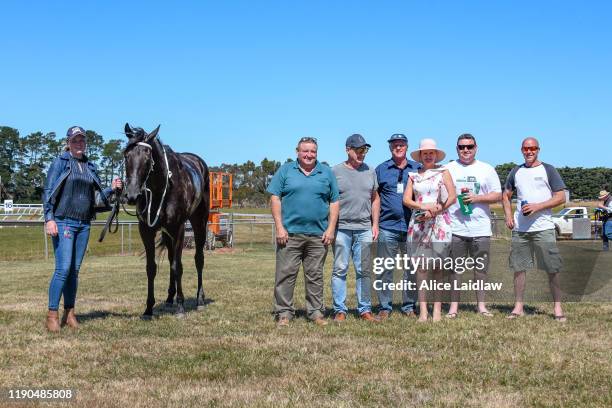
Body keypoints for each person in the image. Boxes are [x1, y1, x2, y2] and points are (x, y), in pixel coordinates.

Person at [43, 126, 123, 332]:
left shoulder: (90, 166)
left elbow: (94, 196)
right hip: (63, 221)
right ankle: (52, 315)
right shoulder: (60, 162)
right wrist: (49, 218)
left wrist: (111, 188)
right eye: (75, 140)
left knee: (75, 271)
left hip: (83, 223)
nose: (79, 144)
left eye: (82, 140)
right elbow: (48, 190)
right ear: (68, 142)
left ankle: (70, 313)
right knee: (63, 269)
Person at [267, 137, 339, 327]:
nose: (309, 155)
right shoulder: (285, 170)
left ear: (317, 153)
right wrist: (280, 227)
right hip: (289, 235)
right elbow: (275, 198)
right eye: (305, 151)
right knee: (285, 275)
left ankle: (315, 312)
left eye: (313, 151)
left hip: (318, 235)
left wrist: (331, 229)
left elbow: (334, 201)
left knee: (315, 275)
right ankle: (284, 313)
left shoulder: (326, 172)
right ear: (297, 151)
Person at [502, 137, 567, 322]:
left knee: (552, 268)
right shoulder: (516, 171)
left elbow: (561, 197)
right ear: (521, 150)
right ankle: (518, 307)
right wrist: (508, 216)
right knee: (519, 268)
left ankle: (557, 308)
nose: (529, 151)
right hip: (521, 230)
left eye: (533, 148)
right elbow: (505, 195)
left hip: (543, 228)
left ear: (538, 149)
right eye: (526, 148)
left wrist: (538, 206)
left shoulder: (548, 169)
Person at [445, 134, 502, 318]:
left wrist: (476, 198)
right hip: (456, 228)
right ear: (457, 149)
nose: (466, 150)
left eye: (469, 146)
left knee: (481, 269)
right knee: (455, 269)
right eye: (462, 147)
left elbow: (497, 195)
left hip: (481, 228)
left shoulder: (487, 169)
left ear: (476, 148)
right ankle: (453, 308)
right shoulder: (448, 169)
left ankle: (482, 306)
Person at [403, 138, 456, 322]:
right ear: (420, 156)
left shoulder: (444, 172)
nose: (428, 156)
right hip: (419, 224)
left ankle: (437, 310)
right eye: (424, 153)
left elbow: (452, 197)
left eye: (431, 153)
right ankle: (423, 311)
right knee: (422, 268)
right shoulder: (413, 175)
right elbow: (406, 200)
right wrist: (422, 206)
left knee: (438, 268)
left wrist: (435, 210)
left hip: (439, 223)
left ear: (435, 155)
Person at [331, 134, 380, 322]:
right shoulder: (334, 172)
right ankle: (340, 310)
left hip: (364, 228)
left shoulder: (370, 171)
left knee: (365, 271)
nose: (361, 154)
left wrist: (375, 224)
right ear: (347, 149)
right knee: (340, 269)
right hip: (341, 228)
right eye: (358, 150)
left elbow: (375, 198)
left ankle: (365, 310)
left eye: (364, 150)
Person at [374, 133, 421, 320]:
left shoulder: (417, 169)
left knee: (412, 269)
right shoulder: (381, 169)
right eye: (395, 145)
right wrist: (374, 224)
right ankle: (385, 307)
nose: (398, 147)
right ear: (390, 147)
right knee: (385, 268)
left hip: (413, 227)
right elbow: (374, 198)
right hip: (387, 226)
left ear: (407, 147)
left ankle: (409, 306)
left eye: (401, 144)